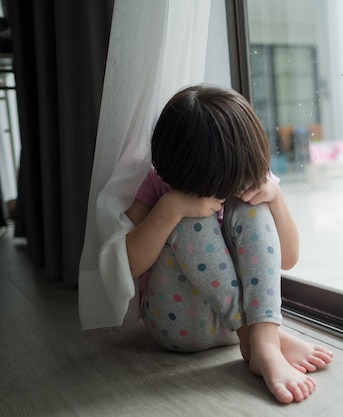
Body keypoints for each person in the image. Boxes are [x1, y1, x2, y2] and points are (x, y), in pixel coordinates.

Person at [124, 85, 332, 404]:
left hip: (236, 324)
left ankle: (263, 338)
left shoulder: (246, 174)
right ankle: (264, 342)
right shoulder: (157, 183)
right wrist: (171, 208)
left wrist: (276, 198)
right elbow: (129, 266)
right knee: (186, 216)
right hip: (179, 324)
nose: (226, 191)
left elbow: (287, 259)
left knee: (253, 204)